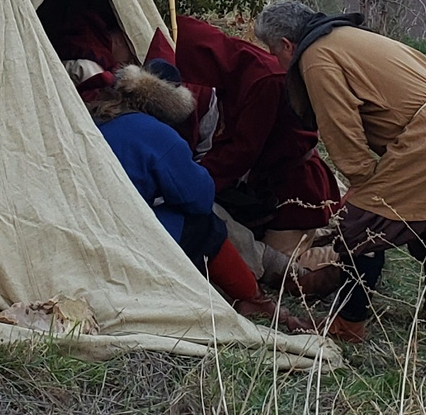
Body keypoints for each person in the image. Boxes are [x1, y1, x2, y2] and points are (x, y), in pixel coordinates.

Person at [255, 0, 426, 344]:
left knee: (362, 228)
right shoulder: (348, 35)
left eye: (273, 52)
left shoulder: (316, 57)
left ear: (286, 44)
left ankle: (348, 326)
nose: (276, 61)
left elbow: (340, 128)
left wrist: (363, 184)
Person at [67, 59, 298, 326]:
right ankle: (254, 299)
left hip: (80, 222)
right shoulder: (156, 134)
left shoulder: (94, 118)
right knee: (202, 226)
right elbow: (197, 198)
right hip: (119, 232)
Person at [168, 16, 342, 278]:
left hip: (295, 190)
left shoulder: (262, 79)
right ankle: (321, 232)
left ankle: (345, 251)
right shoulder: (234, 69)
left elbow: (242, 152)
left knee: (284, 267)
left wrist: (194, 181)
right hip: (268, 184)